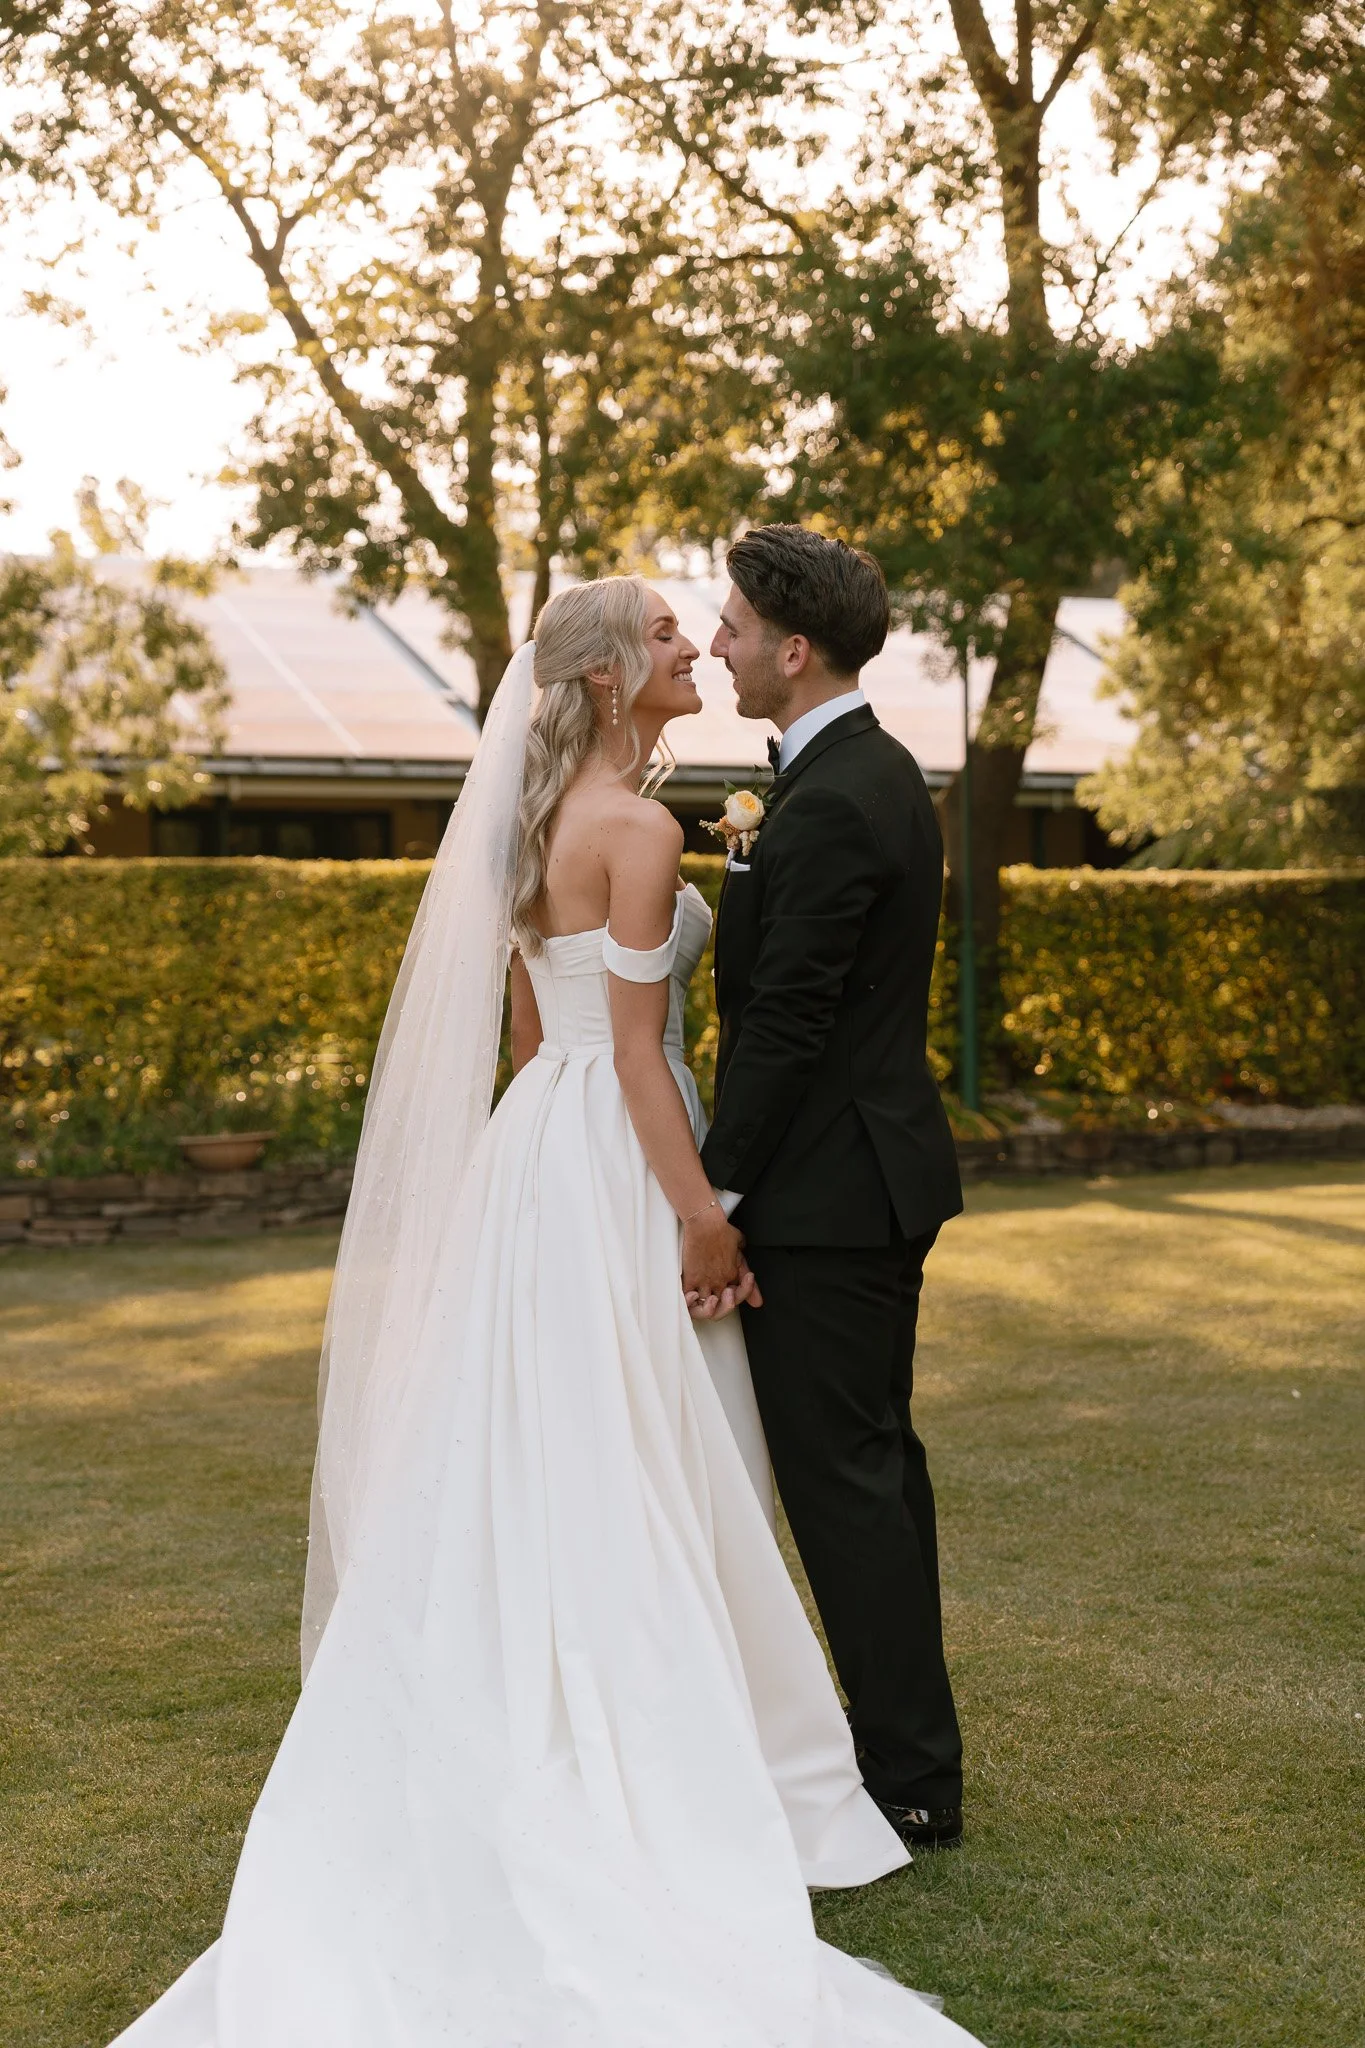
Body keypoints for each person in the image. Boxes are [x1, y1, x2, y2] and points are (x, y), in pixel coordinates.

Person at [106, 575, 980, 2047]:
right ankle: (696, 1747)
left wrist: (560, 1157)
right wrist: (701, 1212)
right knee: (662, 1448)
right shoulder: (636, 831)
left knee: (545, 1440)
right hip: (628, 1151)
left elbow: (538, 1031)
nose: (687, 643)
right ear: (594, 682)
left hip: (539, 1154)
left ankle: (534, 1707)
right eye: (654, 633)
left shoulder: (525, 829)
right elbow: (638, 1059)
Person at [701, 526, 966, 1851]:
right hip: (854, 1186)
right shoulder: (849, 777)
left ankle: (911, 1778)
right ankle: (902, 1753)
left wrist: (712, 1200)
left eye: (733, 629)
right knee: (867, 1476)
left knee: (847, 1483)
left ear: (792, 649)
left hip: (829, 1199)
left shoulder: (846, 795)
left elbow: (789, 1026)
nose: (715, 646)